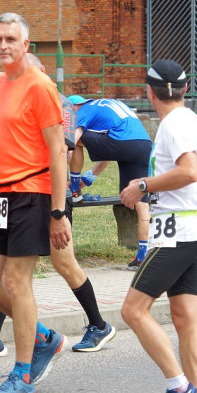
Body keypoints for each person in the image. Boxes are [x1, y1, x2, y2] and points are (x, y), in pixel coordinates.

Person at [0, 53, 115, 358]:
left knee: (64, 264)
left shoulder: (59, 101)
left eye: (30, 69)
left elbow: (63, 149)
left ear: (44, 71)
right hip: (5, 195)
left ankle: (98, 324)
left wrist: (59, 209)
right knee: (2, 268)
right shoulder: (11, 91)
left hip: (44, 195)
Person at [0, 12, 70, 393]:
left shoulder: (40, 86)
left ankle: (23, 374)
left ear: (27, 44)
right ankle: (44, 337)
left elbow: (58, 150)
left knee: (16, 281)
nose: (3, 45)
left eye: (11, 39)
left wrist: (58, 212)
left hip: (32, 191)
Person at [120, 59, 197, 393]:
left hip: (176, 232)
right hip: (194, 227)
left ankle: (180, 390)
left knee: (133, 310)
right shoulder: (189, 119)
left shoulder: (174, 124)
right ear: (185, 88)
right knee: (184, 318)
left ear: (149, 90)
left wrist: (142, 185)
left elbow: (188, 170)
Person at [68, 95, 153, 269]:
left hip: (122, 142)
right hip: (143, 145)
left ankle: (75, 191)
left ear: (75, 107)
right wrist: (88, 179)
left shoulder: (83, 109)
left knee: (72, 138)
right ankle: (142, 256)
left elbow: (73, 141)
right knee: (142, 205)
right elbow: (107, 156)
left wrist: (62, 171)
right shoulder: (106, 105)